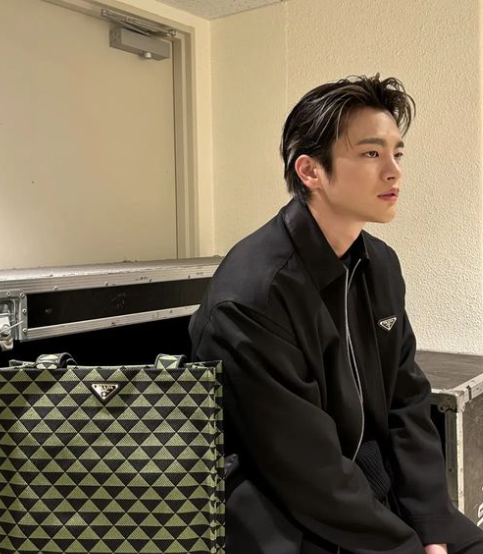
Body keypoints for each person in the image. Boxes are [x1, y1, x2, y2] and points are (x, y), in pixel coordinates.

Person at [189, 74, 483, 554]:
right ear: (310, 171)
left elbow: (407, 400)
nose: (394, 172)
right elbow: (302, 469)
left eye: (397, 153)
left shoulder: (380, 264)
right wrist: (407, 547)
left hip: (375, 492)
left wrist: (432, 525)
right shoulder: (252, 295)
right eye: (371, 154)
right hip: (286, 515)